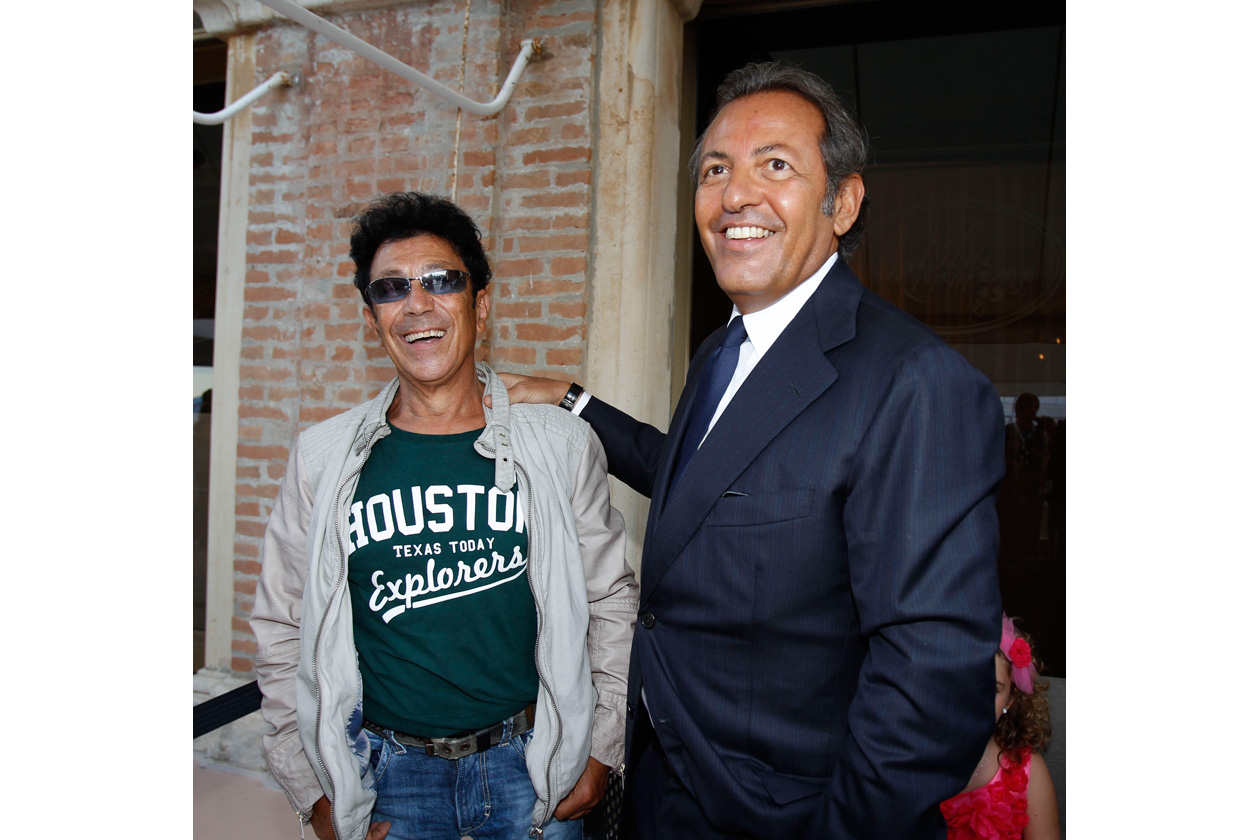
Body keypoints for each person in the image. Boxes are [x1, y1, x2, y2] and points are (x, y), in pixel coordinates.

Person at [497, 62, 1005, 838]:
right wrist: (577, 404)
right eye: (715, 170)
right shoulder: (723, 352)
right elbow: (706, 485)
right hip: (665, 791)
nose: (736, 195)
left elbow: (931, 686)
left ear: (843, 201)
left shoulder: (915, 381)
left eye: (775, 165)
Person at [249, 192, 639, 840]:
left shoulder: (561, 445)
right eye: (392, 289)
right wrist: (314, 789)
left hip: (536, 769)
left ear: (480, 306)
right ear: (372, 319)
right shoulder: (321, 458)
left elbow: (611, 603)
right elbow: (279, 626)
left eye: (441, 282)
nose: (417, 305)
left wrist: (601, 748)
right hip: (387, 786)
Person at [939, 615, 1060, 839]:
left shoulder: (1028, 771)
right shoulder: (916, 752)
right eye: (969, 683)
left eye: (993, 689)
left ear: (1010, 700)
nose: (977, 700)